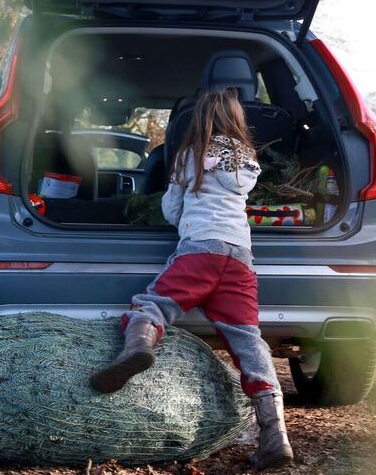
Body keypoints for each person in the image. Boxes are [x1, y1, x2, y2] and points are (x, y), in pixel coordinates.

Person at [89, 89, 293, 470]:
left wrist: (180, 198)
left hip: (201, 250)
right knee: (249, 340)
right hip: (239, 260)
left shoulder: (191, 155)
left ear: (198, 121)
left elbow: (171, 210)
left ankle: (137, 349)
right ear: (238, 121)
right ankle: (275, 434)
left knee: (153, 305)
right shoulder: (248, 161)